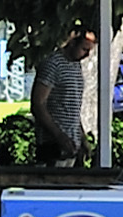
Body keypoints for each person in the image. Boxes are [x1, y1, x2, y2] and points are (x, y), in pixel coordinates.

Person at [31, 27, 100, 168]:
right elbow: (38, 104)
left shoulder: (76, 67)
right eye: (84, 49)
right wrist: (59, 135)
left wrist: (81, 137)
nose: (86, 55)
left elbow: (72, 108)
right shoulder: (53, 64)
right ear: (72, 43)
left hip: (71, 144)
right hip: (52, 144)